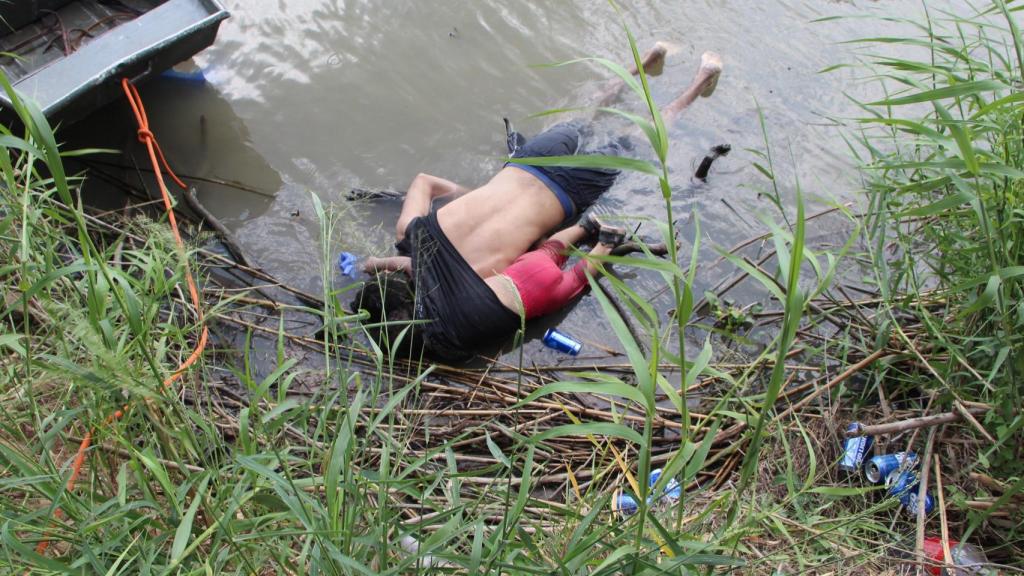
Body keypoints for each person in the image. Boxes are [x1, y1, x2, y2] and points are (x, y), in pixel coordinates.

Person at [354, 46, 723, 360]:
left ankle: (700, 79)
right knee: (586, 114)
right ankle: (647, 60)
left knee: (638, 138)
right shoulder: (411, 230)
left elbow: (536, 266)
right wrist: (479, 194)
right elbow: (423, 181)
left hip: (565, 194)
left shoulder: (477, 284)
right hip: (528, 162)